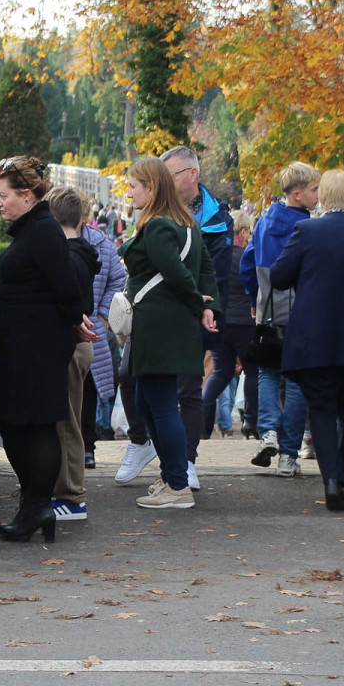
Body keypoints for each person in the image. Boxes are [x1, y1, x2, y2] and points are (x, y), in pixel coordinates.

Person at [0, 156, 88, 542]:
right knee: (13, 422)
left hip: (37, 345)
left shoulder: (42, 231)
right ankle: (34, 502)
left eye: (2, 195)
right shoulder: (33, 228)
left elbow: (66, 287)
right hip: (23, 343)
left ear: (26, 195)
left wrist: (72, 321)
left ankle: (37, 504)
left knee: (35, 423)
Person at [271, 172, 344, 511]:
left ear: (322, 199)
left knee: (320, 407)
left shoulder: (306, 231)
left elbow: (278, 277)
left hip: (313, 338)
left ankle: (331, 479)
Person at [121, 158, 220, 509]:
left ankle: (177, 484)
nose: (129, 192)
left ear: (151, 188)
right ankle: (172, 477)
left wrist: (198, 302)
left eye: (134, 185)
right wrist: (208, 307)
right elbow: (205, 269)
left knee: (161, 406)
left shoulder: (158, 226)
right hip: (174, 327)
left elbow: (175, 273)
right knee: (151, 403)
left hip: (158, 327)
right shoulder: (188, 223)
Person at [160, 146, 233, 488]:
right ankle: (146, 444)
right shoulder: (158, 211)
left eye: (170, 175)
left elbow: (215, 275)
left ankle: (186, 461)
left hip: (196, 316)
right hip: (161, 314)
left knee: (189, 388)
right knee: (136, 381)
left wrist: (206, 308)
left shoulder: (218, 217)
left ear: (192, 174)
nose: (165, 183)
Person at [240, 162, 319, 476]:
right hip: (302, 311)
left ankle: (268, 431)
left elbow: (248, 264)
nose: (318, 195)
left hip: (268, 310)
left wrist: (254, 297)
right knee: (298, 381)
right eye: (314, 190)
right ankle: (289, 454)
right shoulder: (308, 226)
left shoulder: (262, 223)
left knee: (268, 373)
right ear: (298, 194)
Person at [44, 186, 100, 522]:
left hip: (70, 343)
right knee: (68, 419)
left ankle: (71, 495)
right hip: (80, 344)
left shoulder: (67, 256)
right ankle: (67, 491)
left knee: (67, 423)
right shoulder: (83, 251)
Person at [80, 194, 129, 467]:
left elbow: (117, 280)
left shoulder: (102, 244)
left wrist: (103, 315)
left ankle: (88, 446)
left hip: (93, 326)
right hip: (77, 325)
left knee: (89, 389)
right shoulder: (102, 244)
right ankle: (81, 446)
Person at [202, 209, 258, 440]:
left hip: (220, 322)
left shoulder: (217, 257)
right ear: (243, 231)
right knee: (253, 372)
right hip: (246, 322)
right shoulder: (249, 256)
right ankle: (251, 422)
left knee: (220, 373)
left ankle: (203, 424)